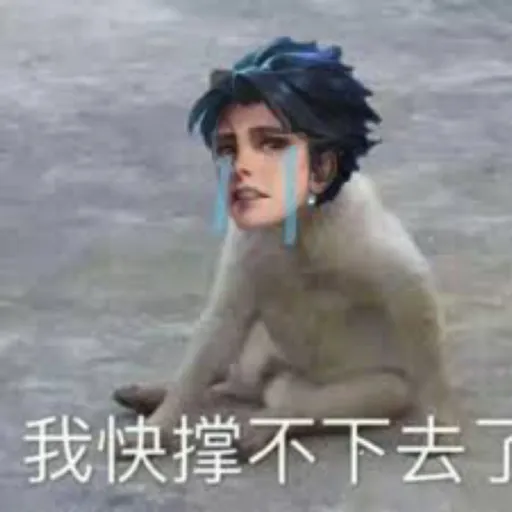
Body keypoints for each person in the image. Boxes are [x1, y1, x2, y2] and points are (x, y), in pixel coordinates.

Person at [113, 37, 457, 458]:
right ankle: (197, 396)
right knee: (239, 337)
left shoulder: (362, 230)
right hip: (278, 365)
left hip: (356, 376)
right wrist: (166, 421)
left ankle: (280, 418)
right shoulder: (253, 226)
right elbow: (223, 320)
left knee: (390, 392)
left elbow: (416, 297)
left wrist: (438, 409)